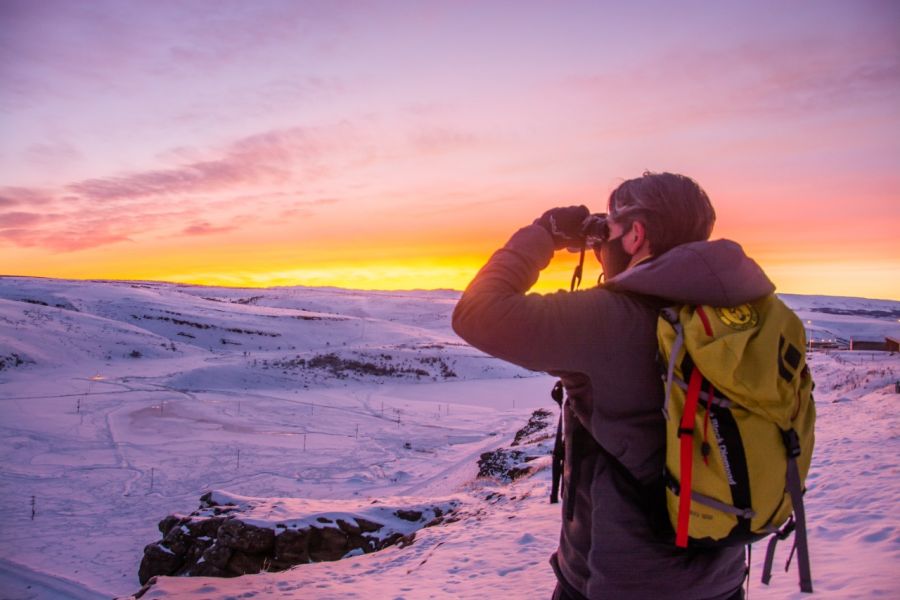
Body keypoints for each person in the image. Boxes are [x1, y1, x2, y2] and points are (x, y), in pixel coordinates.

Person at [452, 172, 774, 600]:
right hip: (721, 578)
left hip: (620, 582)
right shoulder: (744, 313)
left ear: (637, 235)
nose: (602, 244)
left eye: (611, 229)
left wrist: (541, 235)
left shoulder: (609, 318)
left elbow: (477, 313)